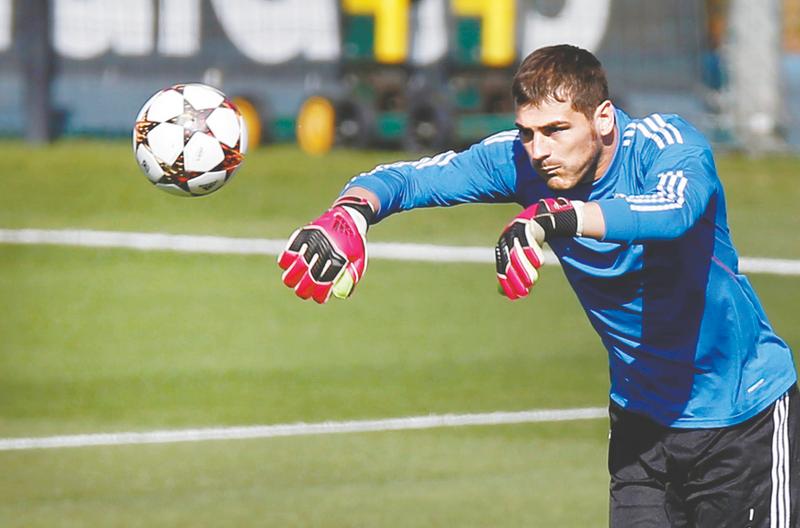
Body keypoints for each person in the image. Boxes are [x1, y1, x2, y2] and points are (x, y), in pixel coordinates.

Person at [277, 44, 798, 527]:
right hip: (642, 426)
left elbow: (673, 212)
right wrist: (348, 215)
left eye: (555, 130)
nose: (539, 150)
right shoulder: (525, 161)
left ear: (604, 119)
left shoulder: (669, 146)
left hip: (742, 419)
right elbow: (408, 178)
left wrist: (555, 219)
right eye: (527, 132)